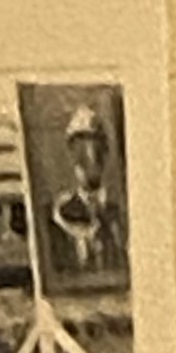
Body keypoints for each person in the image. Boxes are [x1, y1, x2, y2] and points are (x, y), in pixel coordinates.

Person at [46, 103, 128, 280]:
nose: (86, 159)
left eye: (94, 150)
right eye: (78, 151)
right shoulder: (62, 211)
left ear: (104, 153)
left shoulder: (120, 209)